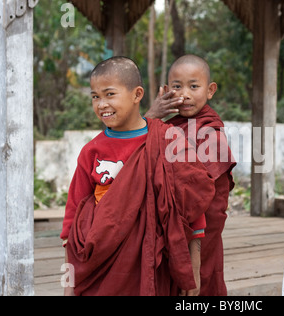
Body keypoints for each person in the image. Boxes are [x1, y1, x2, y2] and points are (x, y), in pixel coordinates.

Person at [60, 56, 215, 296]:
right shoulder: (91, 151)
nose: (101, 104)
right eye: (95, 96)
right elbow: (73, 217)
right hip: (102, 258)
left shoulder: (168, 140)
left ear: (137, 94)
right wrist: (69, 282)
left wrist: (194, 266)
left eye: (110, 94)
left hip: (153, 255)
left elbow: (190, 205)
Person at [146, 54, 236, 296]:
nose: (184, 94)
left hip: (200, 233)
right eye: (177, 86)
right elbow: (133, 152)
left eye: (194, 86)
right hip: (170, 226)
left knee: (200, 284)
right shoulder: (165, 126)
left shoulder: (210, 133)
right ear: (165, 90)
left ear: (210, 90)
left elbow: (204, 198)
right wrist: (152, 115)